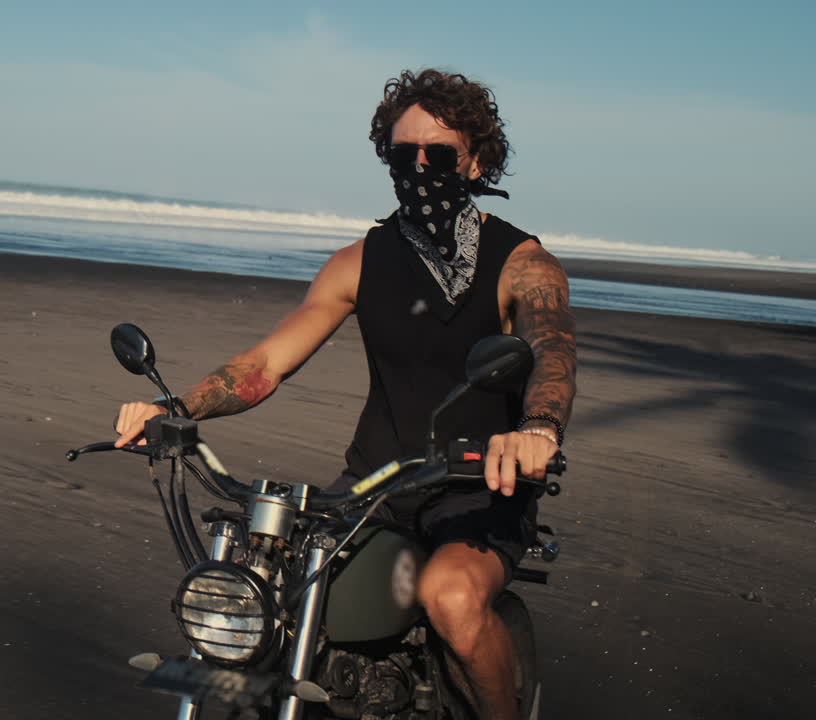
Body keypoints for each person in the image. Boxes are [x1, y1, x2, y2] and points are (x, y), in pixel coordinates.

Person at [114, 68, 576, 720]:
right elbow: (266, 363)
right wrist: (177, 409)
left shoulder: (523, 263)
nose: (421, 168)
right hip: (371, 484)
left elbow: (552, 351)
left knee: (450, 597)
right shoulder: (358, 262)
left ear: (476, 161)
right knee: (267, 587)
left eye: (440, 155)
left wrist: (538, 430)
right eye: (404, 155)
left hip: (479, 483)